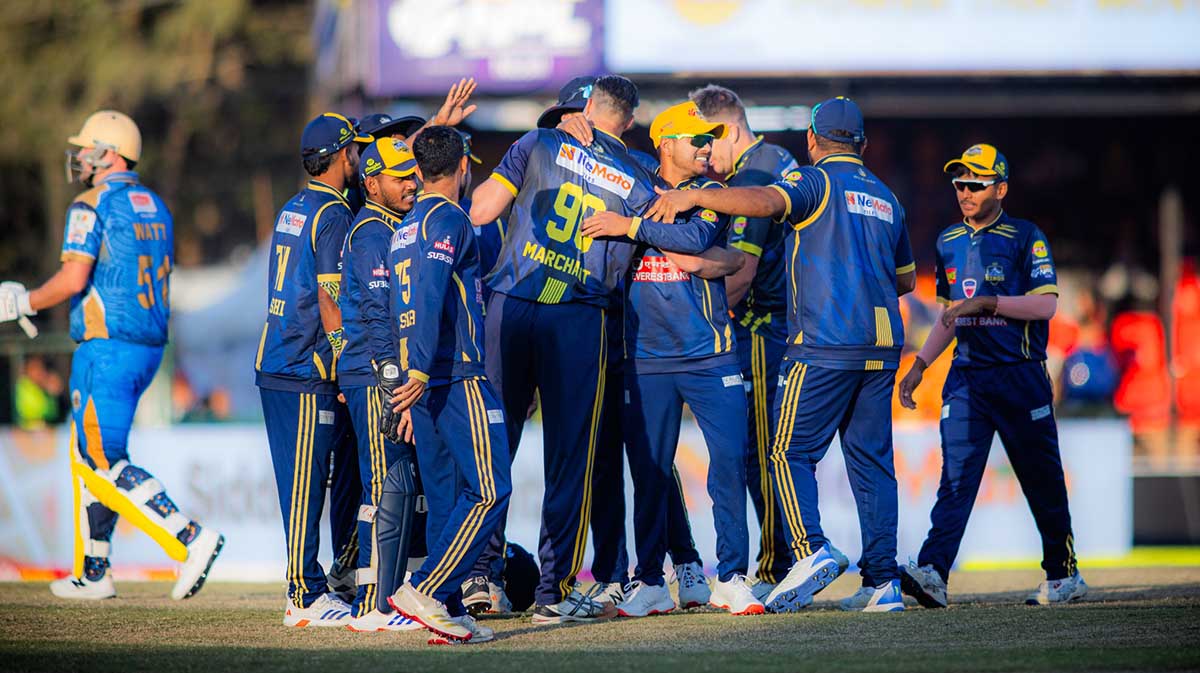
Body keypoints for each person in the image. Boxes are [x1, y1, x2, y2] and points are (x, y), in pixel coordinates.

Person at [619, 97, 916, 613]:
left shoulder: (814, 180)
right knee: (872, 462)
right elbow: (906, 278)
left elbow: (765, 202)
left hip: (824, 340)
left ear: (812, 140)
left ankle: (810, 549)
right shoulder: (887, 196)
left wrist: (699, 197)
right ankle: (882, 582)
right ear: (864, 144)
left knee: (785, 452)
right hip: (882, 343)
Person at [468, 75, 726, 624]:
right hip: (579, 314)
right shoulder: (635, 173)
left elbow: (481, 212)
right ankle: (552, 593)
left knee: (491, 447)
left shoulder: (537, 142)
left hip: (511, 303)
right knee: (571, 459)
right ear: (628, 121)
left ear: (582, 109)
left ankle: (480, 577)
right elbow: (689, 240)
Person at [0, 110, 223, 600]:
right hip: (146, 347)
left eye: (87, 147)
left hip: (106, 346)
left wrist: (24, 301)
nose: (80, 156)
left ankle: (190, 538)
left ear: (110, 152)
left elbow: (74, 279)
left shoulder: (91, 203)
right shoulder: (155, 204)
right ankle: (94, 570)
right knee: (89, 457)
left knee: (101, 461)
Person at [587, 101, 760, 617]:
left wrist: (630, 227)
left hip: (711, 355)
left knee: (728, 465)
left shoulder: (710, 195)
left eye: (710, 139)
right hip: (645, 359)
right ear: (665, 143)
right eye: (695, 139)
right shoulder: (632, 187)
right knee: (649, 474)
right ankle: (650, 581)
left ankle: (732, 577)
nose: (707, 147)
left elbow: (693, 238)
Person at [897, 143, 1086, 607]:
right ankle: (934, 573)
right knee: (955, 479)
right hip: (967, 379)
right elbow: (949, 317)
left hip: (1020, 376)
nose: (964, 192)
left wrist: (990, 302)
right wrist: (920, 365)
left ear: (1000, 189)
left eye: (975, 185)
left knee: (1041, 479)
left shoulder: (1025, 236)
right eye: (959, 184)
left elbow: (1046, 305)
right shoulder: (947, 240)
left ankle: (1063, 575)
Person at [689, 84, 834, 600]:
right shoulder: (780, 159)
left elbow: (743, 271)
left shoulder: (752, 177)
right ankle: (789, 556)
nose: (704, 158)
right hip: (794, 323)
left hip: (763, 327)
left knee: (760, 449)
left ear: (728, 130)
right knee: (777, 446)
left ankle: (776, 564)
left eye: (707, 143)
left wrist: (700, 320)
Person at [384, 126, 511, 645]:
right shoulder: (451, 217)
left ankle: (446, 610)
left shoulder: (404, 225)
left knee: (446, 498)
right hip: (455, 373)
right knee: (491, 489)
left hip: (427, 384)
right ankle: (428, 589)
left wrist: (410, 377)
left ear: (417, 172)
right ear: (462, 167)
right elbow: (431, 290)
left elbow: (398, 307)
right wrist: (417, 369)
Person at [256, 112, 369, 627]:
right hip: (304, 366)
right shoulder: (334, 212)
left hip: (278, 359)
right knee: (305, 485)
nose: (359, 158)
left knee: (298, 483)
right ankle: (303, 594)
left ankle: (309, 585)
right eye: (355, 150)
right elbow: (330, 300)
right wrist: (346, 362)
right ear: (341, 155)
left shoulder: (294, 206)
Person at [336, 137, 427, 632]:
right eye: (400, 177)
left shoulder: (392, 225)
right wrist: (394, 383)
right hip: (376, 375)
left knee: (399, 485)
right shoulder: (372, 232)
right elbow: (376, 314)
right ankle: (372, 604)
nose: (411, 183)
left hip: (383, 375)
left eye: (413, 173)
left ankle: (390, 597)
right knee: (384, 486)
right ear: (372, 184)